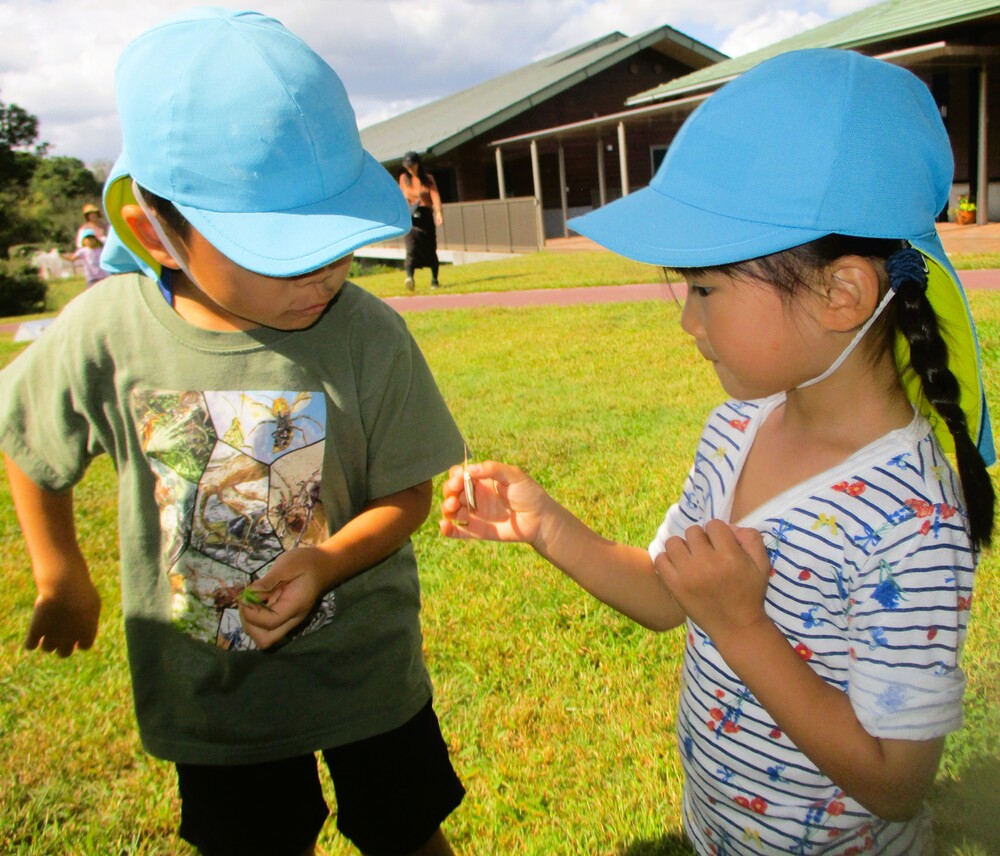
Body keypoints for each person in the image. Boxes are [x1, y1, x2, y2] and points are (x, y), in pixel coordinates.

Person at [440, 49, 995, 855]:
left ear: (841, 294)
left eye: (705, 290)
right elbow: (670, 596)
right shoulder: (737, 430)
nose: (686, 322)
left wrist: (741, 626)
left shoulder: (912, 518)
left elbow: (896, 780)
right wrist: (544, 523)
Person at [1, 9, 466, 856]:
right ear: (154, 234)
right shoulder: (107, 331)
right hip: (215, 695)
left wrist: (330, 560)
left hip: (365, 669)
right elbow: (31, 442)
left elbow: (407, 492)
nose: (327, 272)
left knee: (404, 826)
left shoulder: (367, 332)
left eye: (338, 240)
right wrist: (59, 572)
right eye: (282, 251)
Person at [399, 151, 444, 290]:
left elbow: (435, 196)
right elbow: (402, 196)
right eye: (407, 166)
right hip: (411, 217)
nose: (409, 168)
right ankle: (410, 278)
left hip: (425, 217)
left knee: (430, 248)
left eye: (411, 165)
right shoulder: (403, 178)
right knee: (411, 247)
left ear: (417, 164)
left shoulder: (427, 179)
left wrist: (438, 212)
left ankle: (434, 280)